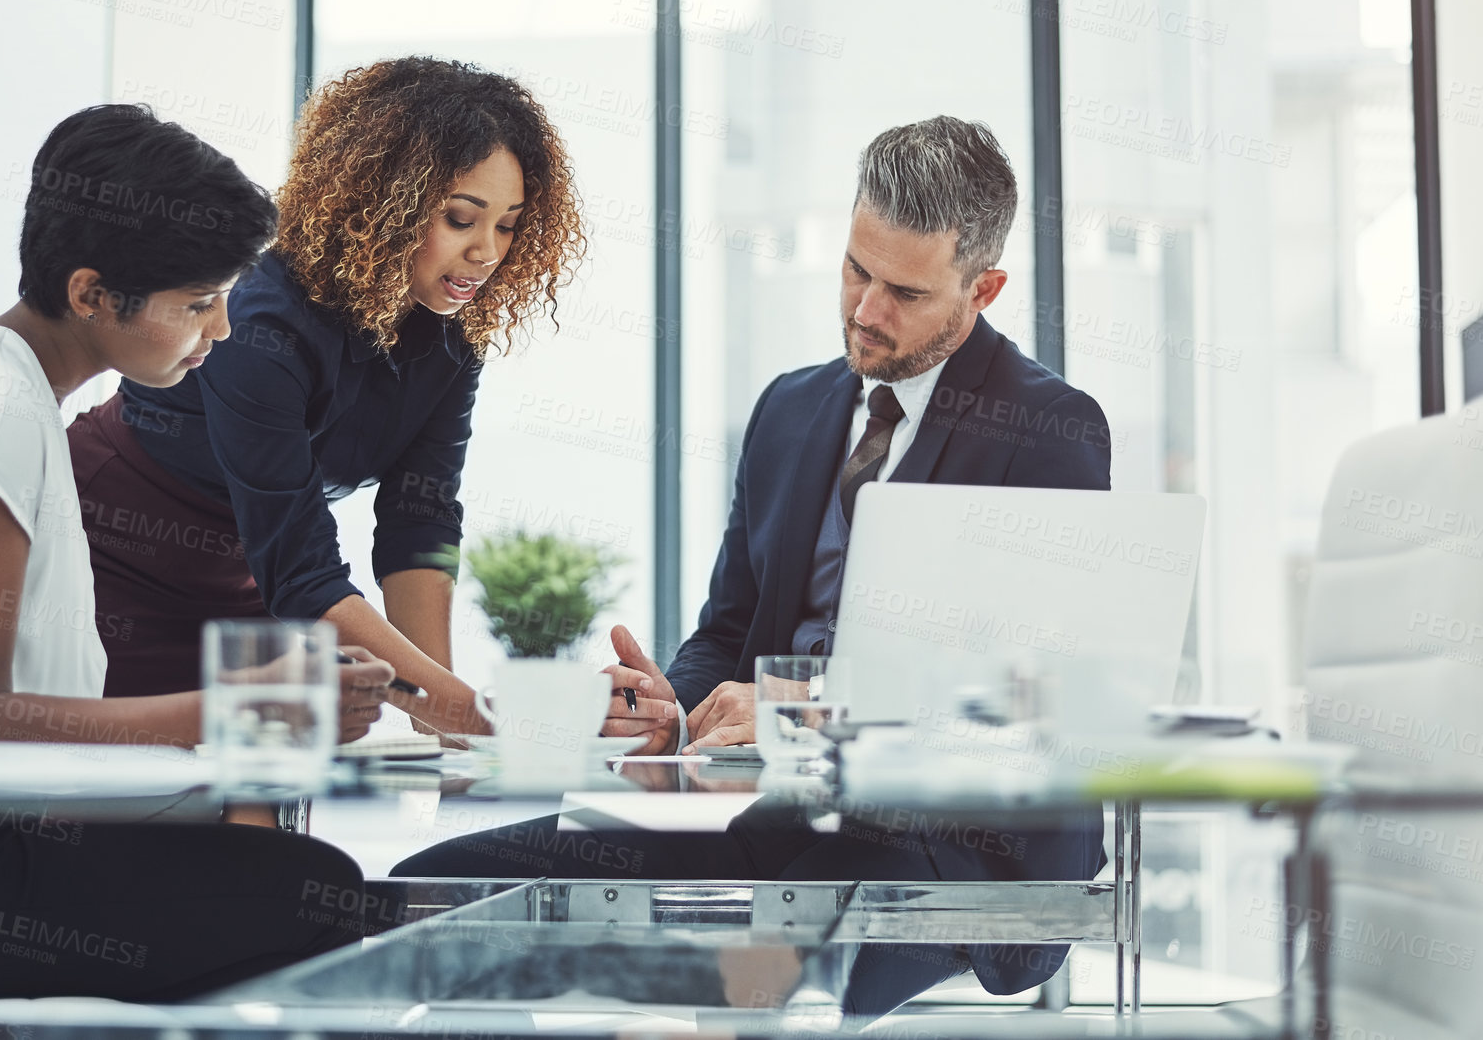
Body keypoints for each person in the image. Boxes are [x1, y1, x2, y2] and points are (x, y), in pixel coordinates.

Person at [394, 116, 1110, 1018]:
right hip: (780, 814)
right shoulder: (789, 410)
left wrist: (805, 709)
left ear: (985, 288)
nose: (863, 310)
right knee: (434, 899)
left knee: (746, 978)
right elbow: (729, 631)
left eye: (904, 291)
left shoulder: (1050, 431)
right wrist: (671, 710)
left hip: (952, 846)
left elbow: (1043, 700)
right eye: (855, 269)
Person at [0, 105, 391, 1001]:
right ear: (92, 293)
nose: (219, 332)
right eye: (199, 304)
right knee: (311, 898)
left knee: (280, 873)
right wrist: (245, 706)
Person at [68, 57, 586, 735]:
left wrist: (448, 727)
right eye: (461, 219)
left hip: (257, 584)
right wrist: (477, 718)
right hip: (119, 557)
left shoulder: (451, 336)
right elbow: (304, 576)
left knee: (259, 812)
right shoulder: (260, 322)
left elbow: (418, 527)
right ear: (382, 203)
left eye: (508, 224)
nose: (487, 252)